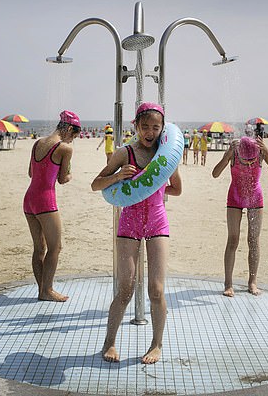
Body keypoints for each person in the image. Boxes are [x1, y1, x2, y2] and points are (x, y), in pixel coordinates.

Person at [91, 102, 182, 365]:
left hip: (157, 223)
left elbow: (176, 189)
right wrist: (119, 177)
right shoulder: (124, 153)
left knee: (156, 288)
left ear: (162, 128)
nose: (150, 132)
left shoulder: (166, 157)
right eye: (145, 127)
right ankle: (109, 343)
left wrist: (152, 188)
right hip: (129, 224)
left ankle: (156, 344)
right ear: (136, 126)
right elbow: (96, 184)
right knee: (125, 289)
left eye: (156, 127)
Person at [212, 136, 268, 297]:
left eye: (252, 159)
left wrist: (267, 150)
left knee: (253, 240)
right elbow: (215, 174)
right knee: (233, 239)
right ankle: (228, 283)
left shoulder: (261, 153)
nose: (249, 162)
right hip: (234, 197)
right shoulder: (234, 153)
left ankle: (252, 282)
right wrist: (227, 154)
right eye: (246, 159)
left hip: (255, 198)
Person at [23, 110, 81, 302]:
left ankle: (42, 290)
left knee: (39, 248)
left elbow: (31, 173)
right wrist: (70, 175)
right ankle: (47, 290)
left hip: (29, 199)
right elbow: (62, 179)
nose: (72, 140)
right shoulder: (64, 148)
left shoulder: (37, 143)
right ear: (70, 129)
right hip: (45, 201)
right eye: (74, 136)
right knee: (55, 247)